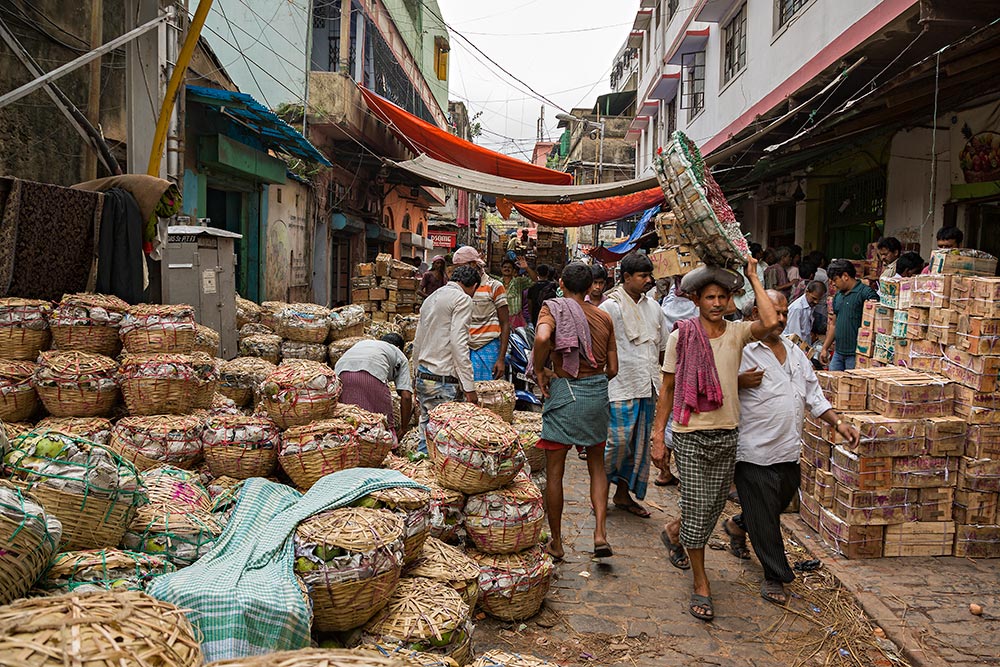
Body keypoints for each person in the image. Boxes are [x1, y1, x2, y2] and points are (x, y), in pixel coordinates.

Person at [650, 259, 781, 622]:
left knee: (710, 507)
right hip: (690, 434)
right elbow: (667, 389)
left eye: (723, 296)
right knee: (696, 505)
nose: (717, 303)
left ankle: (674, 532)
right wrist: (658, 436)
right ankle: (702, 582)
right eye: (710, 297)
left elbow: (771, 322)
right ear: (697, 300)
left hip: (727, 434)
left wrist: (755, 276)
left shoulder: (737, 332)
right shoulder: (681, 336)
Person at [722, 290, 860, 605]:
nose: (781, 320)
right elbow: (711, 383)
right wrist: (738, 382)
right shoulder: (740, 350)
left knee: (774, 506)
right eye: (775, 313)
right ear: (756, 312)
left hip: (787, 451)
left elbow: (814, 396)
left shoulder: (795, 353)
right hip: (752, 451)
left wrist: (839, 424)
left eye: (785, 313)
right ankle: (775, 576)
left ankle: (738, 525)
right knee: (767, 518)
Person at [533, 262, 618, 561]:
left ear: (561, 283)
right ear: (590, 287)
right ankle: (599, 534)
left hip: (565, 393)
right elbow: (613, 369)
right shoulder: (604, 317)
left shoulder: (552, 309)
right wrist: (591, 382)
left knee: (555, 472)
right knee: (597, 464)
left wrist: (540, 368)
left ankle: (556, 542)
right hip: (596, 395)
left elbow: (543, 338)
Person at [599, 252, 666, 518]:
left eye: (650, 275)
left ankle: (622, 495)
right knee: (616, 442)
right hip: (619, 385)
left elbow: (661, 347)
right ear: (626, 277)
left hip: (647, 384)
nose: (648, 281)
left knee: (637, 448)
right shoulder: (609, 308)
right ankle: (600, 493)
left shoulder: (655, 308)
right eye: (643, 276)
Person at [411, 264, 480, 451]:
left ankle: (421, 475)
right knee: (444, 441)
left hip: (424, 376)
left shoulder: (431, 298)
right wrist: (469, 386)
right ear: (473, 285)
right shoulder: (462, 300)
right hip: (443, 378)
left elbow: (418, 341)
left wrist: (414, 375)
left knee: (426, 434)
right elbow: (459, 344)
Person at [654, 275, 698, 487]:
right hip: (685, 362)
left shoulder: (669, 299)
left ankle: (669, 471)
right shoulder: (691, 303)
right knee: (681, 417)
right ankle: (682, 474)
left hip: (674, 360)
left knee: (675, 415)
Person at [453, 246, 510, 382]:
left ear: (473, 265)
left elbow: (505, 323)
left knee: (485, 395)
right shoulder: (457, 288)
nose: (457, 272)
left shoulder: (494, 286)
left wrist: (501, 358)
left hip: (487, 347)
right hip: (463, 347)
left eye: (460, 267)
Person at [335, 334, 413, 432]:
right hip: (371, 373)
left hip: (341, 374)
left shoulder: (365, 343)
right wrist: (404, 428)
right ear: (398, 347)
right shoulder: (398, 354)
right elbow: (406, 396)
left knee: (350, 421)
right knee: (382, 424)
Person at [821, 259, 879, 371]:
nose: (832, 284)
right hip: (838, 353)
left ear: (845, 276)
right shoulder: (838, 296)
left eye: (835, 280)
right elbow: (834, 324)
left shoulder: (865, 293)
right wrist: (825, 348)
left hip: (856, 354)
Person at [499, 256, 536, 328]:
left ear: (513, 270)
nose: (507, 269)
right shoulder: (497, 282)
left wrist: (526, 268)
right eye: (505, 267)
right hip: (500, 319)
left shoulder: (518, 281)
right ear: (501, 269)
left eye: (509, 267)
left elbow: (534, 280)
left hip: (516, 320)